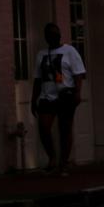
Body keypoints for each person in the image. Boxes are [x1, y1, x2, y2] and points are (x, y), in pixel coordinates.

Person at [31, 23, 86, 176]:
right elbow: (37, 78)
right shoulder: (41, 54)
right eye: (49, 35)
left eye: (55, 34)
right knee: (44, 127)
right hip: (47, 96)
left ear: (60, 35)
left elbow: (78, 74)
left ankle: (64, 163)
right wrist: (33, 99)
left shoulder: (70, 51)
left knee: (65, 129)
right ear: (45, 37)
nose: (52, 37)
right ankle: (52, 157)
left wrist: (77, 92)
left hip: (65, 95)